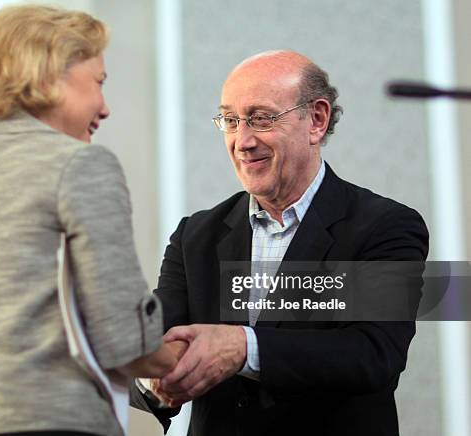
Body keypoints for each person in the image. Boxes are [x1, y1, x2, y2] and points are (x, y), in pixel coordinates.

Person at [0, 6, 185, 436]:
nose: (104, 108)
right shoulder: (79, 166)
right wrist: (186, 356)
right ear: (48, 75)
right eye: (99, 83)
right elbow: (122, 339)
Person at [130, 50, 429, 436]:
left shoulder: (385, 226)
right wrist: (156, 379)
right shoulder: (196, 235)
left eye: (260, 118)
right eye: (231, 121)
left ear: (317, 120)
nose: (242, 141)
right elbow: (158, 348)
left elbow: (373, 354)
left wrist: (243, 347)